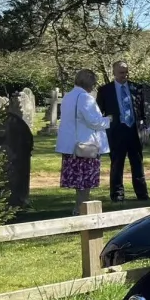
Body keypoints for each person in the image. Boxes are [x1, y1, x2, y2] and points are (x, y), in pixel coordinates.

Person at [56, 69, 112, 215]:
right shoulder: (85, 98)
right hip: (85, 145)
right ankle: (81, 210)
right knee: (84, 182)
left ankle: (79, 207)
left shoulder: (68, 96)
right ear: (90, 83)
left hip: (71, 146)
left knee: (78, 182)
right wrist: (108, 119)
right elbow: (93, 121)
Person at [96, 60, 150, 203]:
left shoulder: (136, 88)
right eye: (121, 72)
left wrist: (144, 128)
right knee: (117, 164)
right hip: (116, 132)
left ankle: (142, 194)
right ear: (113, 72)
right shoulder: (105, 90)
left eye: (126, 72)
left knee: (137, 163)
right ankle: (117, 195)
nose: (124, 75)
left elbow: (142, 111)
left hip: (134, 131)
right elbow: (99, 113)